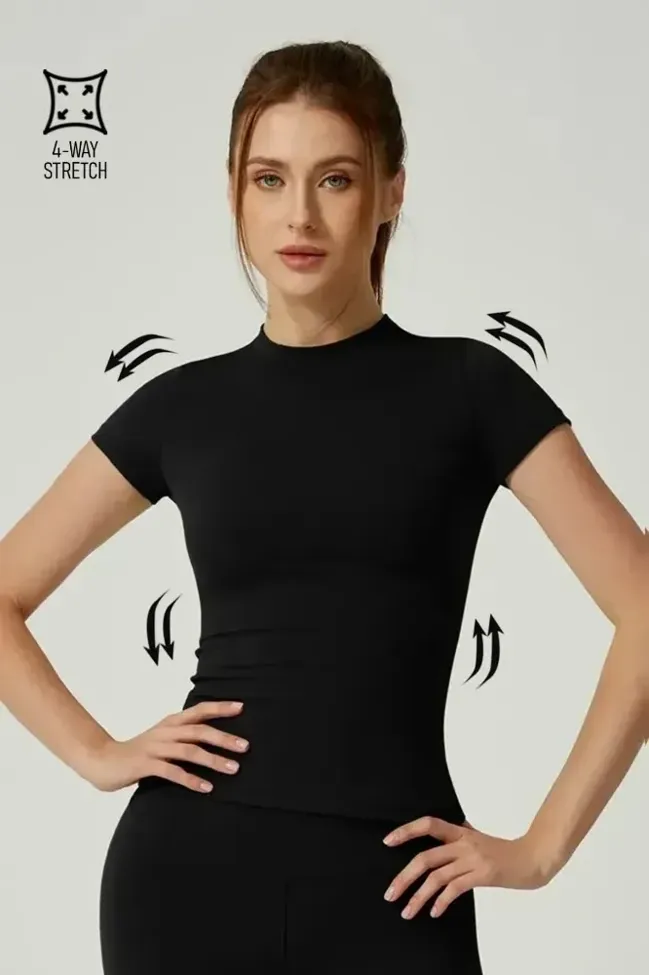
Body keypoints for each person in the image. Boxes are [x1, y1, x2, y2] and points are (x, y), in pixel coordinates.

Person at [0, 40, 647, 975]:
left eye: (334, 178)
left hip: (399, 885)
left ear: (390, 192)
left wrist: (543, 848)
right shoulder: (181, 406)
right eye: (269, 179)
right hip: (184, 877)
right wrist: (97, 751)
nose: (298, 214)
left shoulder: (472, 389)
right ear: (234, 193)